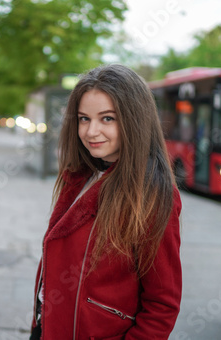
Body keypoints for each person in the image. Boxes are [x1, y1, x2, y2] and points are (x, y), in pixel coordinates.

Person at [30, 64, 182, 340]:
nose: (91, 131)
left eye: (107, 119)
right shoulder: (78, 175)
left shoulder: (152, 193)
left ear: (134, 119)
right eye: (84, 119)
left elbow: (162, 304)